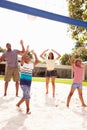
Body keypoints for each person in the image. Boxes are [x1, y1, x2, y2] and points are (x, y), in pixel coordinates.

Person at [16, 46, 39, 114]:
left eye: (28, 57)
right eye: (26, 57)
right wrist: (26, 51)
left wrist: (34, 54)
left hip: (28, 84)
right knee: (27, 95)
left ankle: (18, 104)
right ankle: (28, 109)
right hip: (23, 83)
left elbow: (37, 61)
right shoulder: (22, 64)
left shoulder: (31, 65)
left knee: (25, 95)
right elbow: (22, 57)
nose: (28, 57)